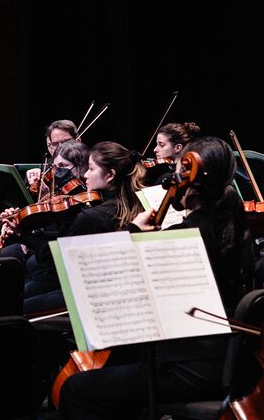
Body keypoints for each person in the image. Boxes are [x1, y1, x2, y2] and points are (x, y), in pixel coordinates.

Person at [58, 136, 250, 419]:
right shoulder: (236, 224)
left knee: (78, 389)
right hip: (233, 362)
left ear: (190, 180)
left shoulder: (184, 238)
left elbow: (114, 281)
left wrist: (133, 233)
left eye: (177, 172)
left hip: (187, 365)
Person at [2, 141, 143, 314]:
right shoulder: (134, 204)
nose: (85, 175)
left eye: (91, 169)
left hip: (80, 291)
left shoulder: (92, 216)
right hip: (106, 287)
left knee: (11, 306)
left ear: (110, 175)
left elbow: (57, 260)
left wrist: (21, 233)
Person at [25, 119, 79, 197]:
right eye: (55, 144)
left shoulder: (90, 167)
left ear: (78, 141)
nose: (61, 148)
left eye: (66, 142)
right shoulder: (45, 170)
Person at [143, 121, 201, 186]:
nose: (155, 150)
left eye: (161, 145)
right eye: (157, 144)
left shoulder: (170, 177)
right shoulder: (164, 170)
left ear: (177, 148)